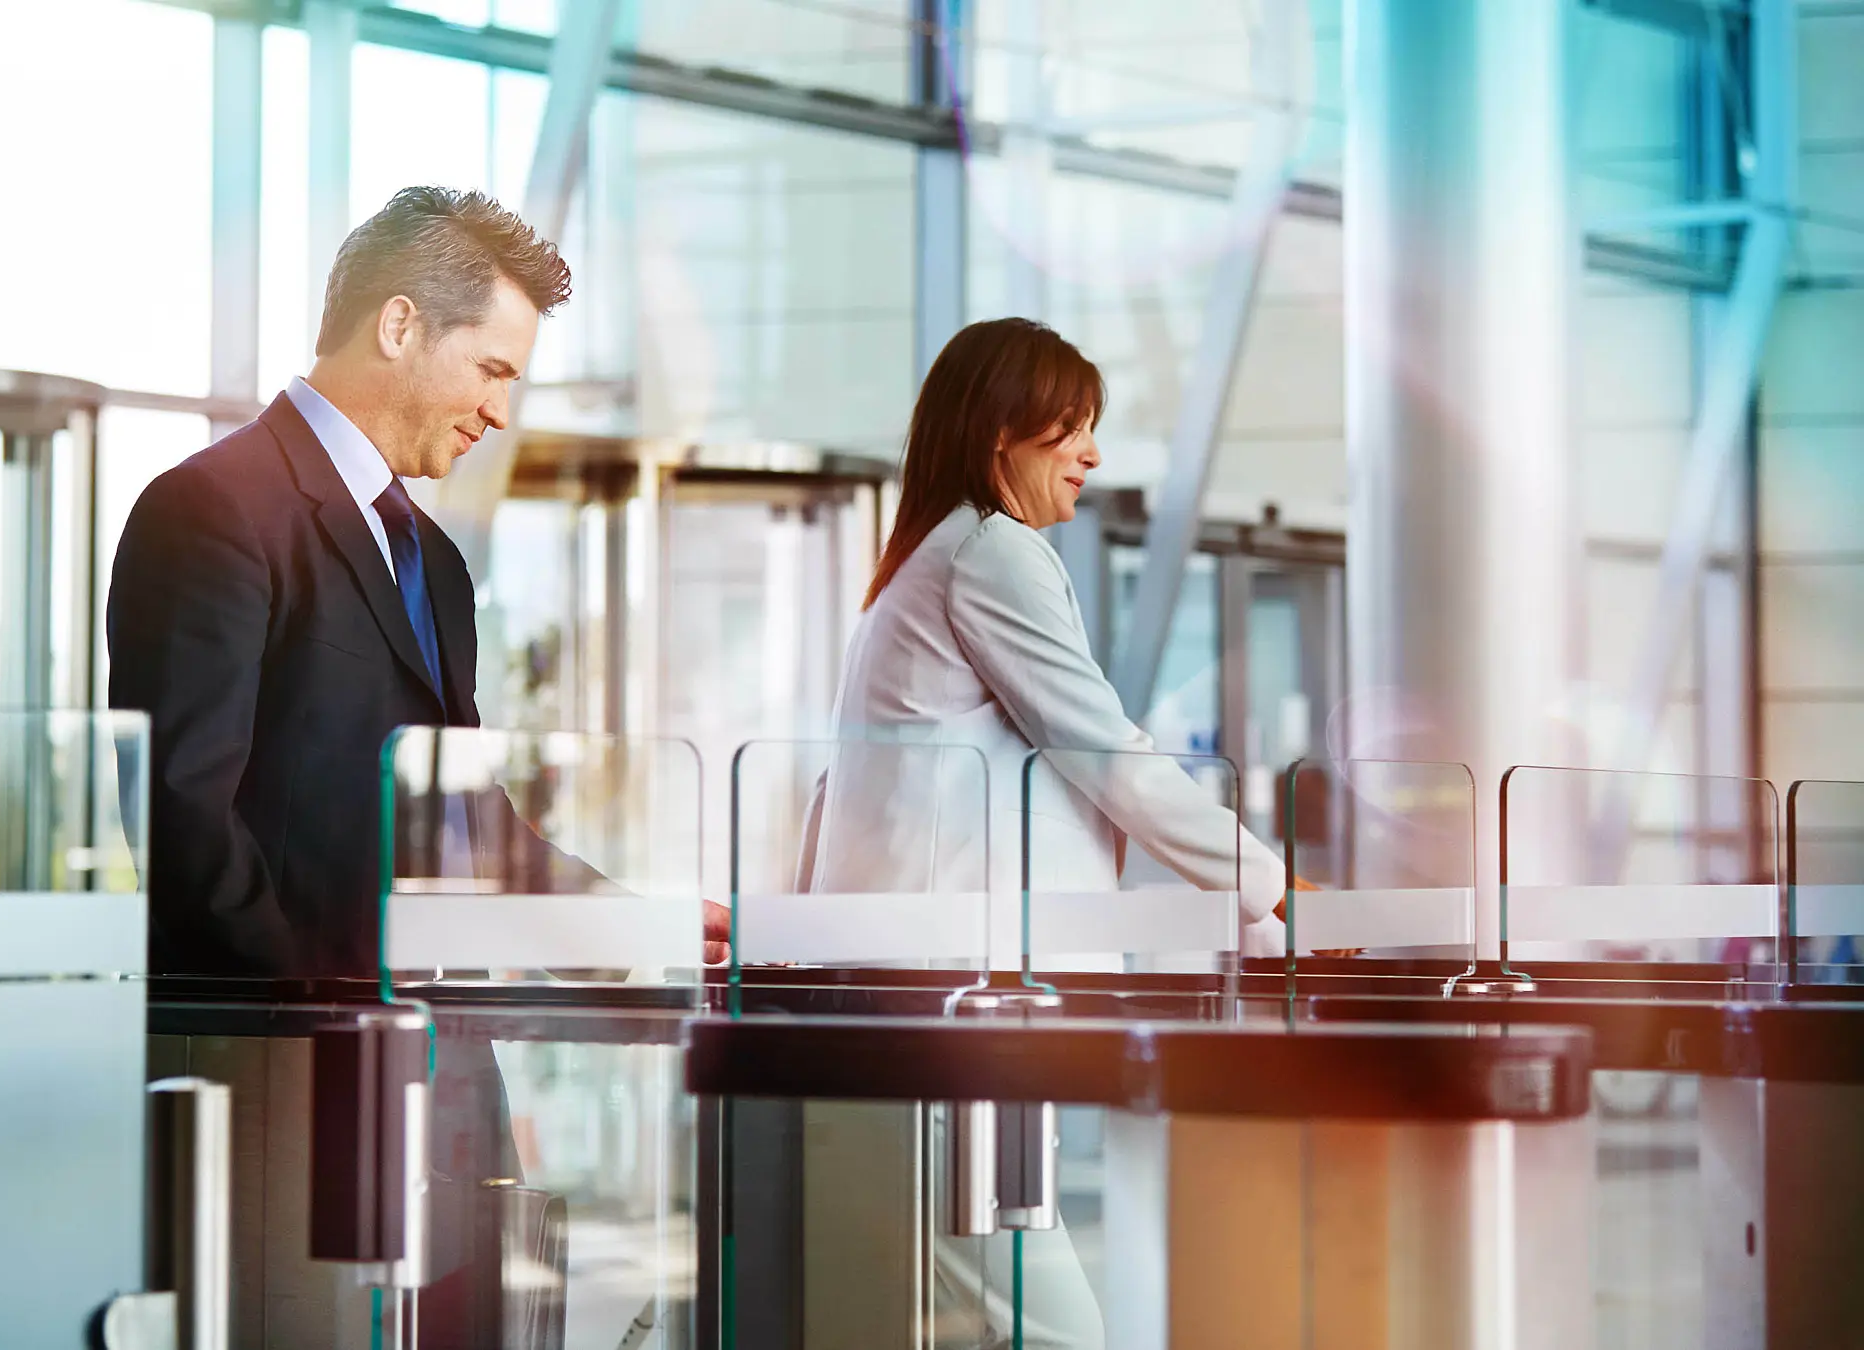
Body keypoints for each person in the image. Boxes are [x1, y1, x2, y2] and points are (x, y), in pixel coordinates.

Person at [799, 318, 1296, 1349]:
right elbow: (1104, 752)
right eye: (1070, 428)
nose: (1092, 454)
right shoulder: (989, 552)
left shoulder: (921, 566)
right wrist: (1270, 882)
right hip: (960, 1011)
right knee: (1051, 1322)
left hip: (940, 1003)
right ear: (1000, 439)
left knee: (963, 1309)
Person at [107, 185, 729, 977]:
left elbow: (471, 820)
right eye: (490, 370)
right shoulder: (211, 510)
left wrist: (631, 930)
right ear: (399, 326)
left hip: (440, 1054)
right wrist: (316, 1029)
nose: (500, 412)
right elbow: (182, 823)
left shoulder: (431, 556)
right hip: (296, 1062)